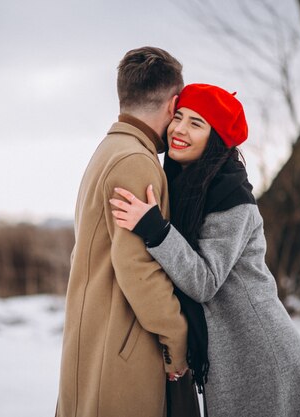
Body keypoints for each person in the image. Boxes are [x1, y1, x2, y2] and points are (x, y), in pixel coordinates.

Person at [110, 83, 300, 417]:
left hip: (260, 353)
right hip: (231, 352)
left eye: (196, 123)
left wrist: (155, 229)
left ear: (215, 139)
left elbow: (204, 282)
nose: (179, 129)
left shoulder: (232, 199)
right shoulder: (183, 187)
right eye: (178, 117)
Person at [56, 47, 194, 417]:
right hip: (119, 357)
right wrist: (177, 339)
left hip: (96, 347)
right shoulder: (136, 160)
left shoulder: (109, 149)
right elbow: (139, 269)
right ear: (173, 102)